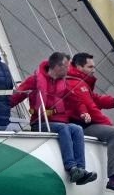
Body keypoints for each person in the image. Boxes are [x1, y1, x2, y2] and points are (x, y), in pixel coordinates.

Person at [62, 53, 114, 195]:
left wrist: (113, 101)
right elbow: (91, 108)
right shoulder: (75, 83)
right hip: (80, 126)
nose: (94, 70)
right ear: (78, 67)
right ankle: (113, 180)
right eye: (90, 67)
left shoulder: (80, 82)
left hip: (87, 124)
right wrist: (109, 124)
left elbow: (95, 99)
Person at [10, 52, 96, 185]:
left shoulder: (64, 83)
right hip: (40, 123)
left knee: (77, 129)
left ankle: (81, 169)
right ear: (57, 66)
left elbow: (76, 101)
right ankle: (72, 168)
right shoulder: (34, 80)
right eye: (66, 67)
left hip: (60, 122)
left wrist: (83, 112)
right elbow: (16, 97)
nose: (69, 70)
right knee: (63, 128)